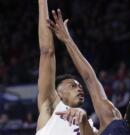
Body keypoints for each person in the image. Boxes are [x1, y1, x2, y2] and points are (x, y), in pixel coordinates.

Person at [47, 9, 130, 135]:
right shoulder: (115, 121)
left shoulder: (111, 117)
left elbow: (89, 77)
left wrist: (67, 40)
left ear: (125, 115)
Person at [36, 0, 96, 135]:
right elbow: (47, 51)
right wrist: (42, 3)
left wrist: (84, 121)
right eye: (72, 85)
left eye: (79, 86)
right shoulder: (51, 107)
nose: (79, 88)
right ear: (59, 92)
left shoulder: (88, 123)